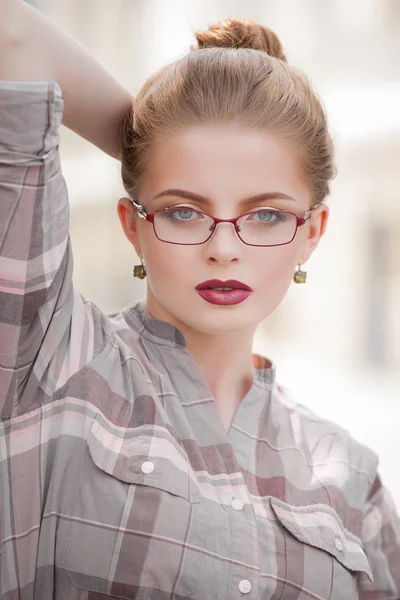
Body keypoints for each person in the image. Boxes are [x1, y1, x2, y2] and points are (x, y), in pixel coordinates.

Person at [0, 1, 399, 598]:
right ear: (132, 225)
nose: (223, 249)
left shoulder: (352, 479)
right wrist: (152, 142)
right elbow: (13, 37)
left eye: (265, 215)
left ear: (311, 235)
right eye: (183, 211)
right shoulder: (53, 361)